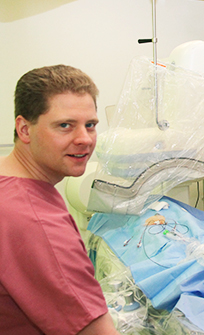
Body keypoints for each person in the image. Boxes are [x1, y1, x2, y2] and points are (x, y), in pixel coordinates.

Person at [0, 65, 119, 334]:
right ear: (24, 129)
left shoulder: (9, 182)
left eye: (90, 125)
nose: (84, 139)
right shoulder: (35, 220)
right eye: (65, 126)